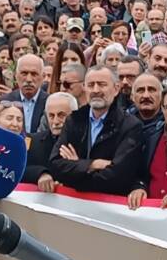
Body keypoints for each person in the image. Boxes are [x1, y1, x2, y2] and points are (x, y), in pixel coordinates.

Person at [48, 65, 144, 195]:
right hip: (73, 205)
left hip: (110, 207)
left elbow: (119, 177)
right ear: (84, 89)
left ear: (116, 89)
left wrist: (76, 168)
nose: (96, 90)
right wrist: (92, 164)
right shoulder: (74, 120)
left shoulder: (130, 126)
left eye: (102, 84)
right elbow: (55, 165)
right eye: (91, 85)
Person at [24, 92, 76, 192]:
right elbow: (19, 169)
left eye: (61, 115)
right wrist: (41, 174)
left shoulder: (87, 142)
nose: (55, 121)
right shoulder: (32, 140)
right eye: (51, 116)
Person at [2, 53, 47, 133]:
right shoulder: (5, 101)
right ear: (16, 76)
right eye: (24, 73)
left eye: (34, 74)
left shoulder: (49, 103)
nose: (29, 79)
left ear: (43, 77)